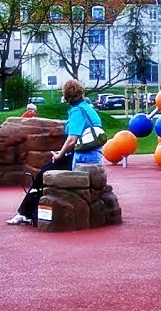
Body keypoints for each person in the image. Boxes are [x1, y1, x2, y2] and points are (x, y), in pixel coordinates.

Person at [7, 79, 103, 225]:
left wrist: (59, 154)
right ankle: (26, 211)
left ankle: (24, 212)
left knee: (43, 174)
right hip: (91, 153)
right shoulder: (87, 107)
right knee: (45, 172)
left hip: (82, 156)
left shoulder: (77, 111)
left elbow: (72, 138)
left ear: (67, 96)